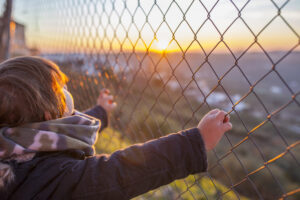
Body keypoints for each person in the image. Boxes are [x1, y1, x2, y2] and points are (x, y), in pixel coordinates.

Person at [0, 56, 232, 200]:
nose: (66, 92)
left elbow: (63, 136)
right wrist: (195, 142)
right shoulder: (51, 180)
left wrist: (100, 112)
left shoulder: (13, 143)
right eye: (61, 89)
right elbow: (118, 172)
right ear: (48, 117)